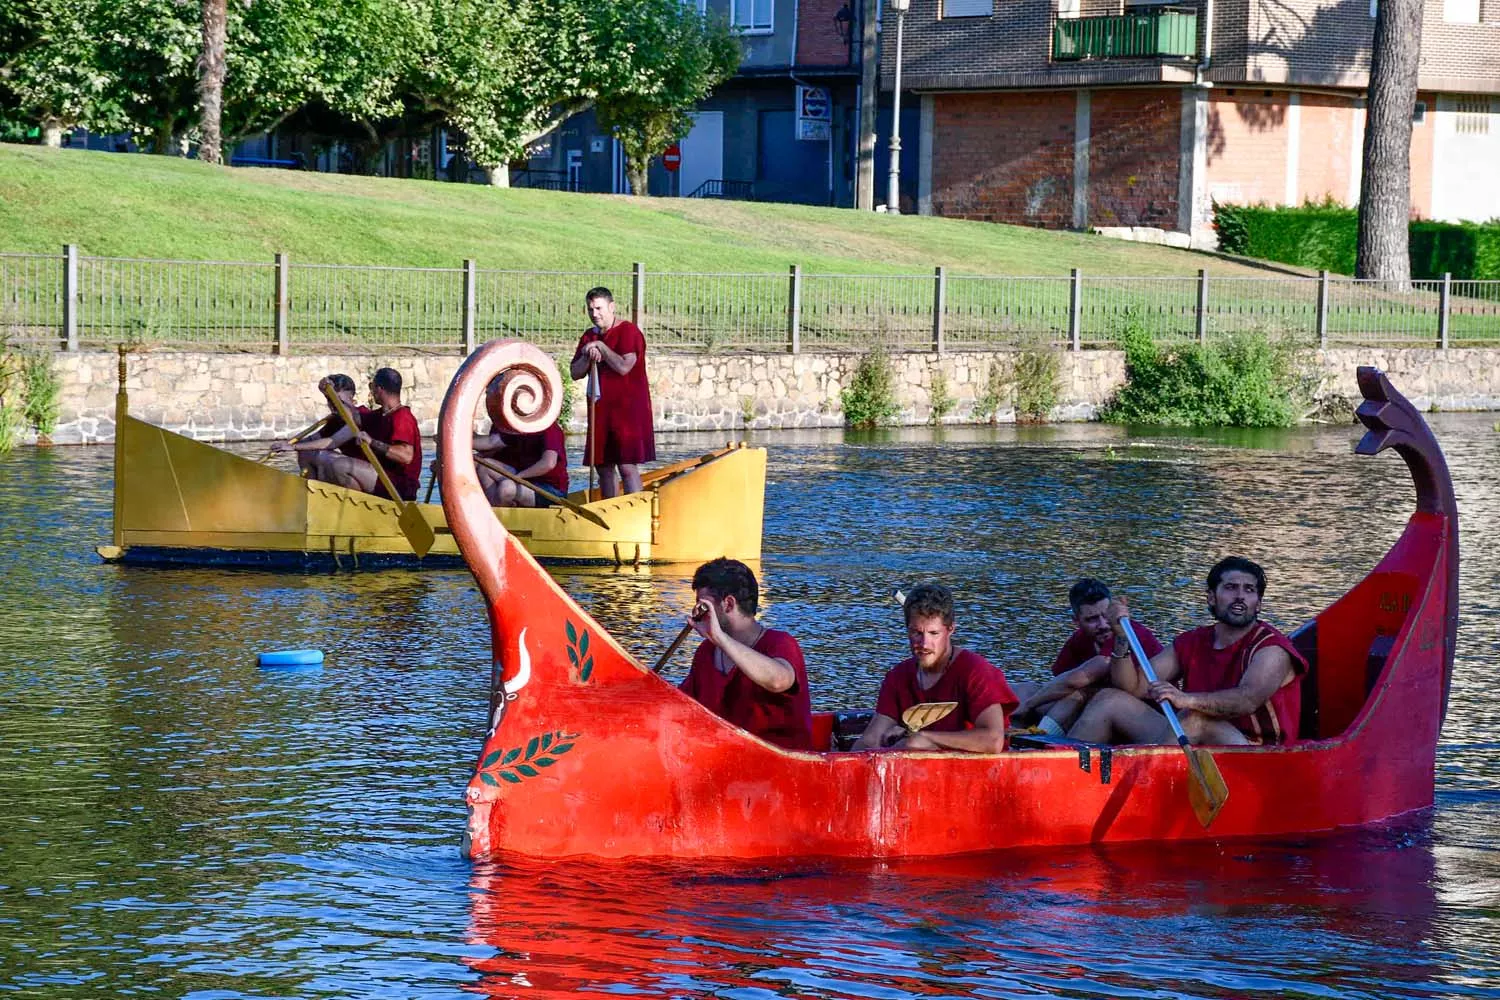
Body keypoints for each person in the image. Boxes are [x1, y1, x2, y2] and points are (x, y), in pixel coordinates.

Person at [1069, 557, 1308, 747]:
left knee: (1195, 718)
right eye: (1231, 588)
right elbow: (1133, 687)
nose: (1240, 597)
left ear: (1259, 603)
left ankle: (1146, 789)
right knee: (1109, 700)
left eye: (1249, 590)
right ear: (1212, 598)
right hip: (1190, 734)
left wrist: (1187, 700)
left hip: (1259, 753)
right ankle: (1059, 775)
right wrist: (1120, 638)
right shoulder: (1193, 641)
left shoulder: (1271, 648)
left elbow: (1247, 700)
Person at [853, 582, 1018, 753]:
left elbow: (993, 740)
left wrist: (925, 738)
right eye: (917, 633)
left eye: (934, 633)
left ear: (950, 629)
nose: (924, 644)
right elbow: (872, 739)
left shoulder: (976, 672)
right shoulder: (897, 677)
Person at [678, 557, 814, 751]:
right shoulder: (706, 652)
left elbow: (779, 680)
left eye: (703, 607)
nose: (697, 615)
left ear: (729, 604)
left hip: (778, 771)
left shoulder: (780, 643)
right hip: (722, 765)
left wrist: (720, 638)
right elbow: (681, 705)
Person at [1014, 578, 1164, 737]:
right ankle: (1012, 737)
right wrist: (1026, 701)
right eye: (1092, 619)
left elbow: (1075, 681)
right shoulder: (1079, 640)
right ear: (1076, 621)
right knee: (1024, 690)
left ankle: (1041, 740)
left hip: (1148, 716)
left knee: (1078, 693)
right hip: (1100, 709)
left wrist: (1028, 705)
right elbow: (1060, 682)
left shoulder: (1126, 631)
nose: (1103, 625)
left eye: (1106, 616)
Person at [570, 286, 654, 498]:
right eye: (590, 309)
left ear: (612, 307)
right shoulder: (588, 337)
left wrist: (601, 347)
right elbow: (575, 373)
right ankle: (609, 508)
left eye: (599, 308)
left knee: (626, 465)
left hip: (627, 410)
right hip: (600, 411)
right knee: (603, 466)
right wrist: (588, 356)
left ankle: (635, 509)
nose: (594, 314)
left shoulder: (628, 331)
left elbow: (624, 366)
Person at [472, 373, 569, 508]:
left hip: (550, 490)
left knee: (507, 488)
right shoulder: (511, 426)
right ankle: (496, 511)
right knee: (485, 466)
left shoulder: (549, 428)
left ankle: (500, 516)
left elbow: (548, 463)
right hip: (522, 479)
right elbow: (492, 446)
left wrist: (519, 477)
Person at [270, 374, 366, 481]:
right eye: (329, 400)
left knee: (324, 456)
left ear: (351, 397)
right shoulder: (335, 420)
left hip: (368, 474)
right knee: (306, 451)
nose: (333, 405)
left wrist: (294, 447)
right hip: (348, 470)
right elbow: (312, 440)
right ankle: (309, 487)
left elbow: (332, 442)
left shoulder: (362, 415)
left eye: (338, 401)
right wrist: (285, 445)